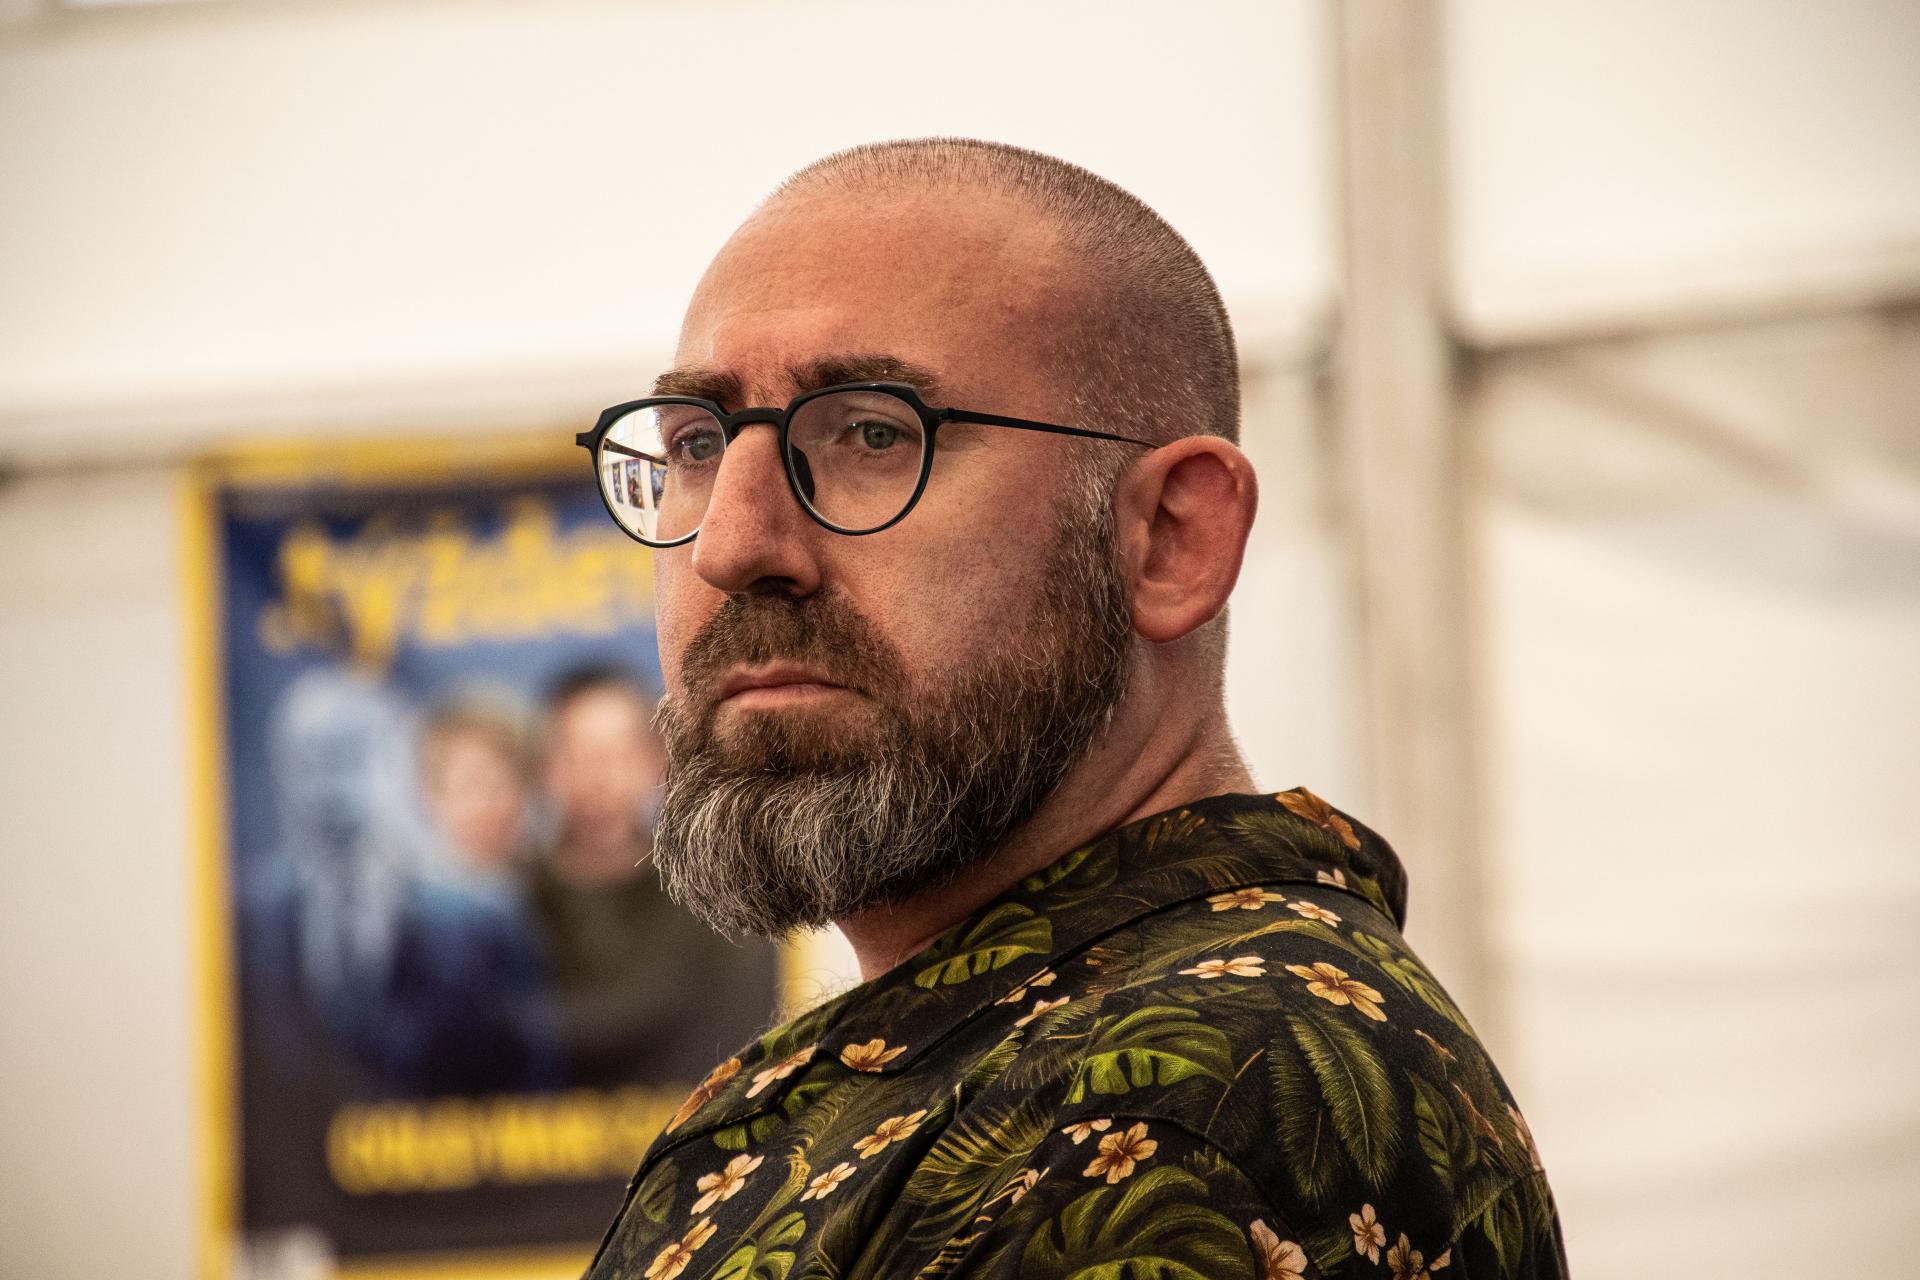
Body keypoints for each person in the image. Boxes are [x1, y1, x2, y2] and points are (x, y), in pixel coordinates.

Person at [575, 140, 1567, 1279]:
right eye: (698, 444)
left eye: (873, 433)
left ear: (1170, 539)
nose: (731, 544)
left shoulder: (1189, 1105)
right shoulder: (961, 1051)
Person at [524, 666, 781, 1089]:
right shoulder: (506, 906)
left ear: (655, 762)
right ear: (546, 769)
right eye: (579, 756)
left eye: (619, 755)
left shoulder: (715, 899)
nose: (600, 779)